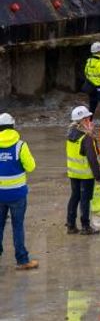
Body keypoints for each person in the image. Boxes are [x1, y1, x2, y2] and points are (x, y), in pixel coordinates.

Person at [0, 112, 38, 269]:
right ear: (13, 126)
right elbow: (31, 167)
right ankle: (22, 260)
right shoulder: (20, 145)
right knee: (17, 226)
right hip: (17, 194)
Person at [66, 106, 100, 235]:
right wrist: (98, 175)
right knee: (85, 200)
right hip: (86, 175)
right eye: (87, 119)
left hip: (73, 173)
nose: (89, 121)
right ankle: (85, 227)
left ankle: (70, 225)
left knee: (74, 197)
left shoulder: (70, 134)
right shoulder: (86, 138)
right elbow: (93, 158)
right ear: (82, 121)